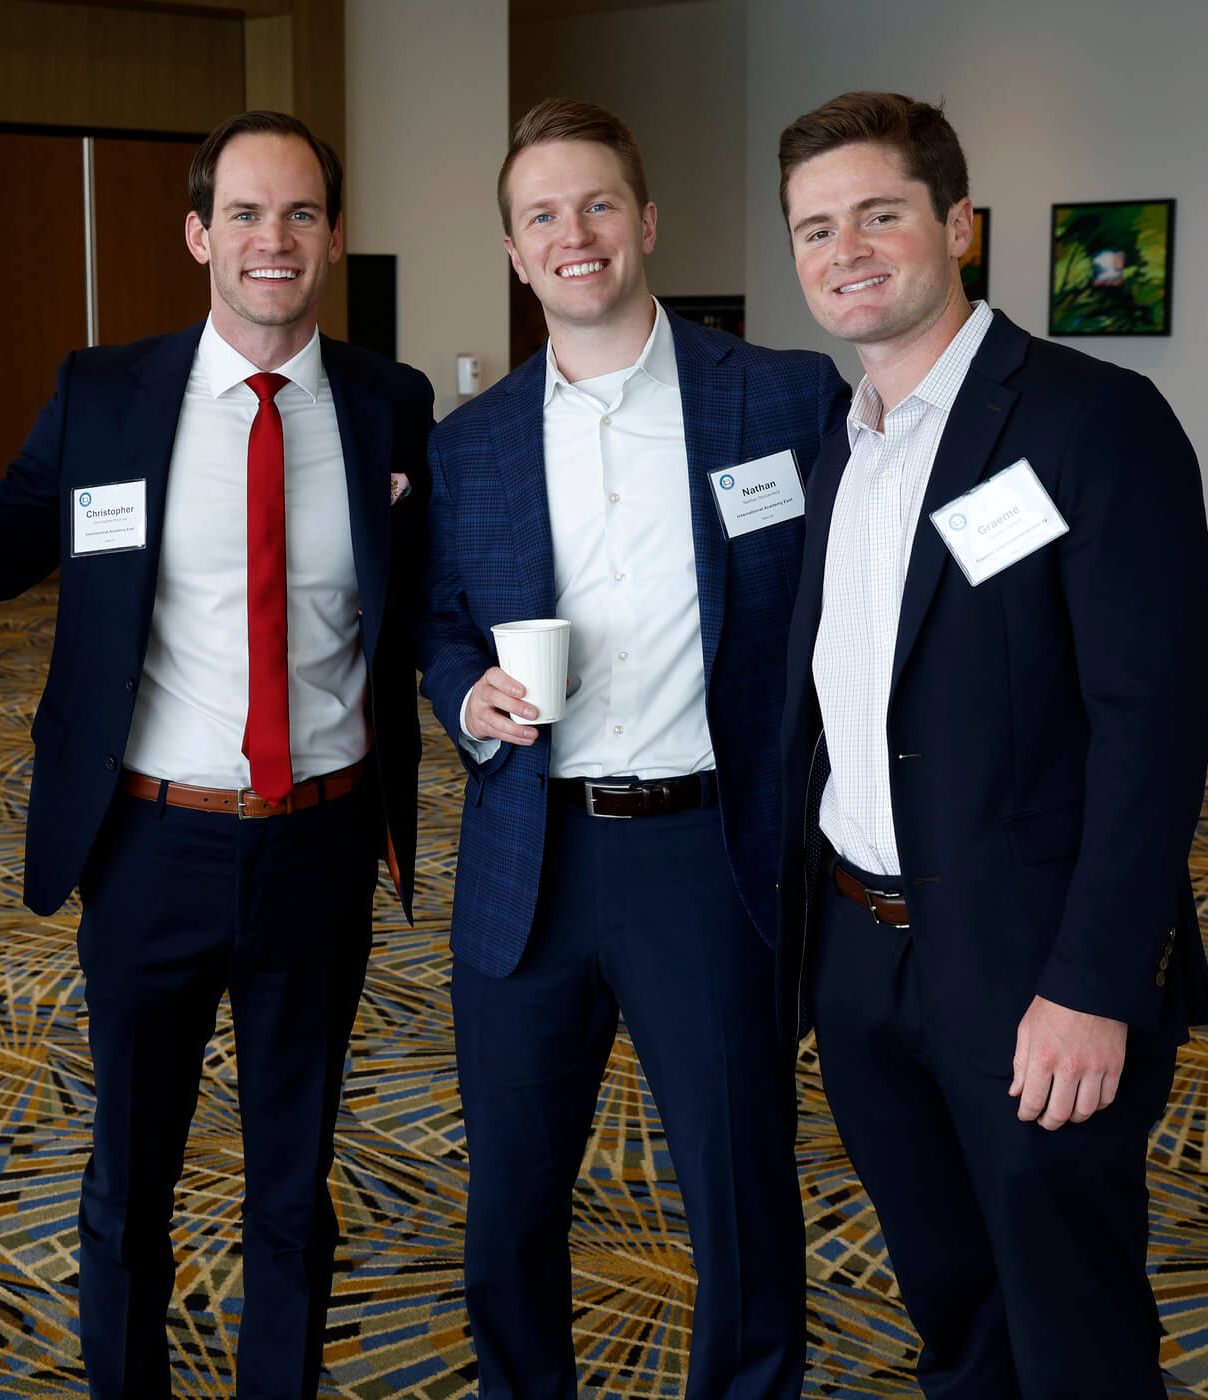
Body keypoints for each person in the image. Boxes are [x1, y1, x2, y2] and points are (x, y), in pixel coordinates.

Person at [0, 110, 432, 1399]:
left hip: (320, 840)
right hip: (149, 840)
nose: (273, 239)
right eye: (244, 213)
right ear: (197, 234)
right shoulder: (107, 392)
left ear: (333, 234)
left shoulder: (390, 404)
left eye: (300, 214)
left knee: (292, 1176)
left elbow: (423, 596)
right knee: (130, 1170)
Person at [773, 91, 1208, 1400]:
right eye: (814, 229)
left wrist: (1094, 984)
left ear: (959, 225)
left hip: (1034, 971)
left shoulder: (1091, 419)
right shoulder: (838, 441)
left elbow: (1152, 728)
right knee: (953, 1307)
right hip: (863, 958)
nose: (846, 252)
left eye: (879, 215)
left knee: (1072, 1324)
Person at [416, 97, 847, 1400]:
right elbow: (440, 622)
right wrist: (465, 698)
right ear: (514, 251)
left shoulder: (779, 398)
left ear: (646, 220)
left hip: (709, 855)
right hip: (529, 858)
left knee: (739, 1193)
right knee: (511, 1201)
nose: (576, 232)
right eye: (543, 214)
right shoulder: (470, 443)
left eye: (598, 203)